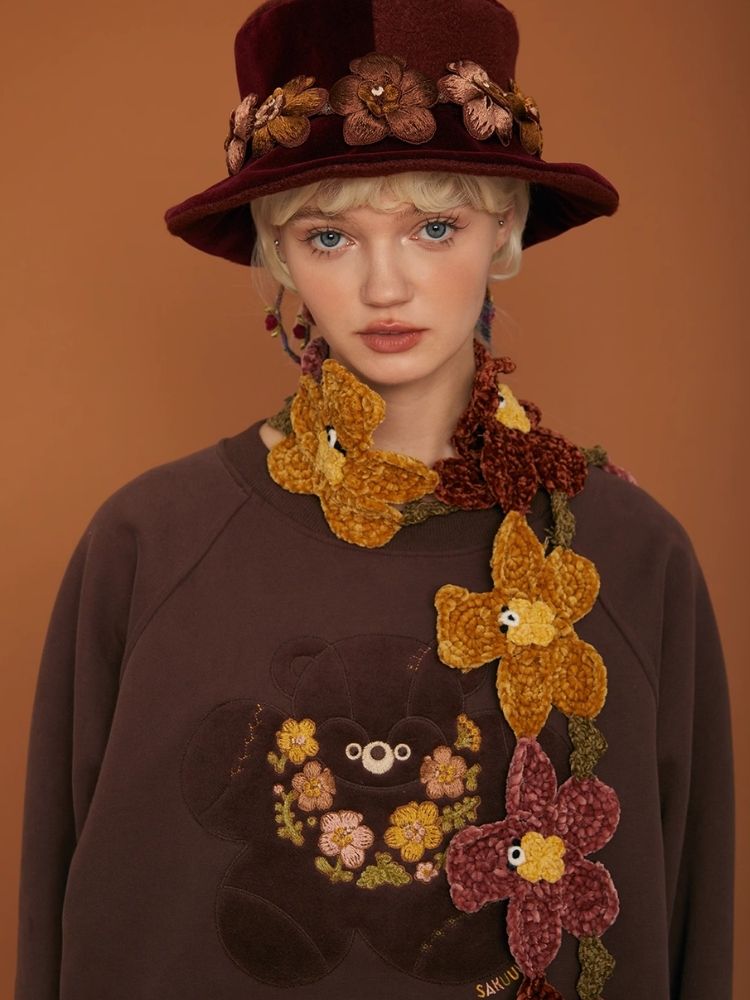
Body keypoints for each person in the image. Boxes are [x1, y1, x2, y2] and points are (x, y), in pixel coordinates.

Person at [14, 1, 734, 999]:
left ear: (505, 228)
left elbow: (693, 915)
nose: (386, 286)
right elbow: (56, 919)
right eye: (330, 236)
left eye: (434, 227)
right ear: (278, 254)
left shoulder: (630, 554)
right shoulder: (146, 543)